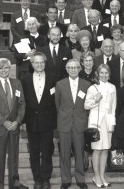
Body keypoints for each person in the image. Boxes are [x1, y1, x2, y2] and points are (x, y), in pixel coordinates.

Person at [0, 58, 27, 189]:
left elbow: (22, 104)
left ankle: (14, 184)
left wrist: (17, 121)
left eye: (6, 68)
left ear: (10, 69)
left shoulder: (17, 83)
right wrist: (4, 122)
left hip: (14, 127)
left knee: (13, 158)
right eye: (0, 68)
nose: (4, 70)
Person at [21, 52, 56, 189]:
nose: (39, 64)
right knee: (34, 152)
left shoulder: (53, 78)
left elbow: (54, 102)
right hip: (31, 120)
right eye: (36, 62)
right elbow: (22, 102)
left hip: (47, 120)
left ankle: (46, 178)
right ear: (32, 64)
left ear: (45, 63)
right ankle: (37, 179)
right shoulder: (25, 79)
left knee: (47, 151)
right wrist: (23, 121)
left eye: (42, 62)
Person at [55, 59, 91, 189]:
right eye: (70, 68)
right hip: (64, 123)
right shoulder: (59, 84)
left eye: (75, 67)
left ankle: (80, 178)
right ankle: (65, 179)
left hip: (80, 123)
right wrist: (63, 117)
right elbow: (57, 105)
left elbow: (89, 104)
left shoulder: (86, 84)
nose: (73, 70)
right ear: (66, 69)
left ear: (79, 69)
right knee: (64, 153)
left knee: (79, 153)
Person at [84, 64, 116, 188]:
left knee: (105, 149)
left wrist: (112, 123)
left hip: (107, 121)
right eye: (101, 73)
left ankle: (102, 175)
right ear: (97, 74)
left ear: (109, 74)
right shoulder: (93, 88)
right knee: (97, 149)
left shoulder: (112, 87)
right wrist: (95, 100)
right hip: (96, 122)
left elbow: (113, 107)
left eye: (106, 73)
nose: (104, 75)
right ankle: (96, 176)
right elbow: (86, 106)